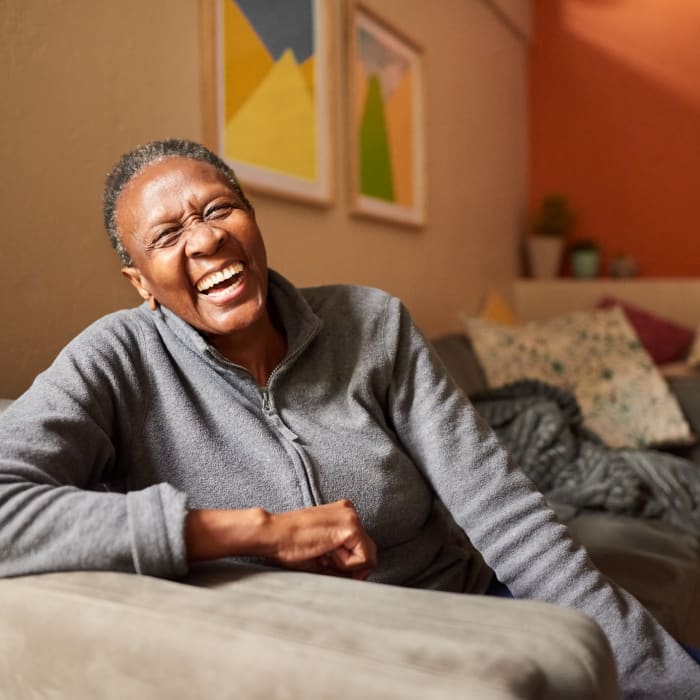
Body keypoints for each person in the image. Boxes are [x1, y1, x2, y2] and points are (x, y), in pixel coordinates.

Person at [0, 139, 698, 697]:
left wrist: (664, 682)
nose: (206, 241)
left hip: (470, 617)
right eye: (168, 234)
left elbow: (507, 515)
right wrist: (249, 532)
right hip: (304, 658)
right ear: (140, 282)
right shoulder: (115, 360)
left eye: (219, 209)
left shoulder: (372, 323)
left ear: (251, 218)